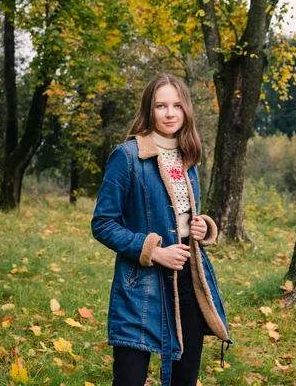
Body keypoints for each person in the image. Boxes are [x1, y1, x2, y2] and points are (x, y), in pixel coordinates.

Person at [92, 73, 232, 386]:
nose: (170, 113)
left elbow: (180, 213)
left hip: (187, 281)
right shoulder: (127, 156)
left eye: (177, 106)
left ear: (186, 111)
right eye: (161, 105)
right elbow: (102, 223)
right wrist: (154, 252)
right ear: (148, 110)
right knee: (129, 379)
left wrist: (202, 227)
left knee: (185, 378)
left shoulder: (188, 158)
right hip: (140, 284)